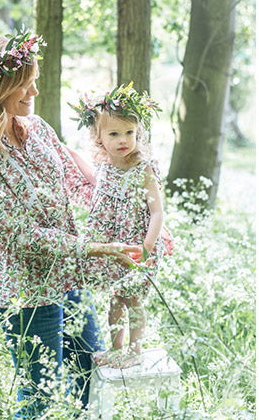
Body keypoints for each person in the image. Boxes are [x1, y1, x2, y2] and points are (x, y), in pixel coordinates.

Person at [0, 31, 139, 418]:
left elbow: (75, 178)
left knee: (89, 370)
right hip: (22, 287)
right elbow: (22, 238)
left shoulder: (36, 128)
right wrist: (97, 248)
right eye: (25, 85)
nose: (35, 92)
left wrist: (133, 208)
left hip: (63, 274)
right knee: (39, 394)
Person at [70, 83, 173, 368]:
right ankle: (116, 348)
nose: (123, 140)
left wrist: (147, 247)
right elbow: (91, 177)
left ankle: (135, 350)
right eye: (114, 134)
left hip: (138, 246)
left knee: (134, 300)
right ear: (99, 137)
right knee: (115, 299)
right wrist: (70, 154)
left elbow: (157, 212)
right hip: (113, 246)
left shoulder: (144, 168)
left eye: (130, 132)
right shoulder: (104, 165)